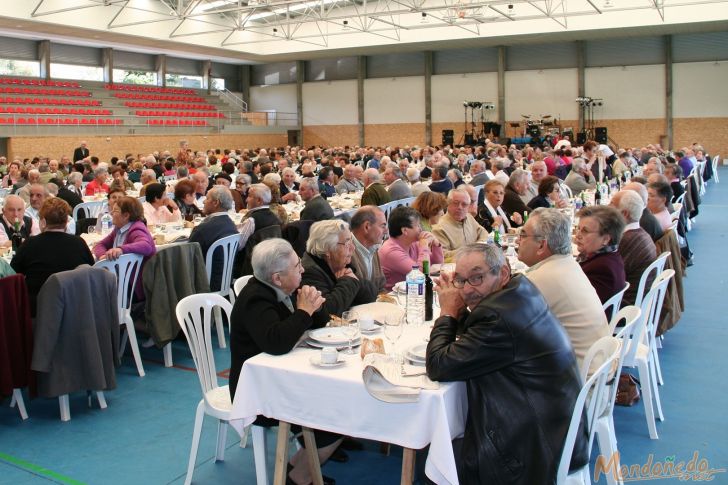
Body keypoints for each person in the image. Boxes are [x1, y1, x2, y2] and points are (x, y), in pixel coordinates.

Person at [426, 243, 588, 484]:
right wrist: (458, 312)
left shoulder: (497, 317)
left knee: (439, 463)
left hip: (534, 444)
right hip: (558, 425)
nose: (467, 289)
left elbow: (439, 365)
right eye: (460, 280)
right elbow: (482, 337)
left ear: (502, 273)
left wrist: (448, 312)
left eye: (477, 278)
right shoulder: (520, 289)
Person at [229, 239, 339, 484]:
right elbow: (277, 342)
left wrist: (313, 307)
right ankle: (300, 477)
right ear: (277, 278)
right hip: (257, 390)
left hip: (281, 376)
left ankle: (299, 467)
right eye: (297, 266)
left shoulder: (283, 288)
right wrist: (303, 312)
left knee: (334, 401)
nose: (302, 269)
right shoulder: (256, 299)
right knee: (337, 410)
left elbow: (317, 323)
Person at [518, 208, 608, 370]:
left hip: (579, 381)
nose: (518, 241)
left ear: (541, 245)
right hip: (597, 367)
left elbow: (505, 327)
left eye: (523, 235)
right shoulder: (568, 263)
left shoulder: (541, 278)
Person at [10, 198, 94, 317]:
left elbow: (13, 274)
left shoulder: (30, 244)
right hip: (74, 307)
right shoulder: (79, 243)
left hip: (38, 310)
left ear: (43, 222)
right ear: (66, 221)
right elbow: (90, 270)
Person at [301, 220, 374, 318]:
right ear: (328, 249)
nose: (353, 248)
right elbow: (328, 312)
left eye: (351, 241)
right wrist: (349, 281)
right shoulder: (309, 272)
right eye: (347, 243)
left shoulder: (339, 262)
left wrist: (353, 281)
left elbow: (372, 294)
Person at [93, 196, 156, 298]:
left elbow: (146, 246)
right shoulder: (119, 229)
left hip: (132, 286)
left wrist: (121, 249)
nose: (111, 213)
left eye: (115, 211)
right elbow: (100, 245)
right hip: (120, 279)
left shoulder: (136, 228)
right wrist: (102, 256)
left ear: (126, 215)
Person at [610, 190, 657, 307]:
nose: (607, 209)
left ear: (624, 214)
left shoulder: (626, 240)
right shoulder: (641, 234)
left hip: (626, 306)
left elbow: (611, 277)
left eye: (611, 205)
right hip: (637, 300)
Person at [378, 206, 443, 290]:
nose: (421, 229)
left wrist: (436, 244)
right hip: (394, 298)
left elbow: (437, 263)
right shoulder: (391, 251)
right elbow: (422, 275)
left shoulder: (412, 243)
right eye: (418, 225)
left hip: (413, 292)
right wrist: (424, 246)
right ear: (405, 231)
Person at [188, 186, 239, 292]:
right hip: (226, 279)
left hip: (205, 283)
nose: (204, 202)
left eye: (207, 199)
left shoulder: (202, 230)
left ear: (216, 203)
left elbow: (189, 258)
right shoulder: (231, 225)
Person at [575, 205, 627, 304]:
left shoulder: (602, 268)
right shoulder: (610, 256)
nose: (577, 235)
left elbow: (581, 305)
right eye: (578, 228)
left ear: (606, 239)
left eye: (585, 231)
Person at [432, 188, 488, 261]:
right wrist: (471, 250)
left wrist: (479, 244)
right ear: (448, 204)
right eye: (455, 203)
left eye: (464, 204)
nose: (460, 207)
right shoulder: (439, 228)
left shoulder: (469, 217)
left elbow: (483, 233)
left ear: (468, 207)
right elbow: (443, 255)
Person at [349, 206, 387, 298]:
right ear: (367, 227)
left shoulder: (373, 247)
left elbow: (381, 286)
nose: (386, 231)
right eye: (383, 226)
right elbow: (356, 294)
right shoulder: (346, 251)